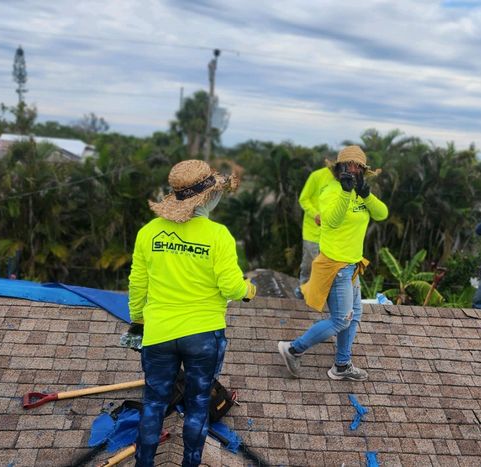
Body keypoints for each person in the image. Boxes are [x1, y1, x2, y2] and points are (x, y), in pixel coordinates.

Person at [128, 159, 257, 467]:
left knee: (154, 403)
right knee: (198, 405)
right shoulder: (218, 235)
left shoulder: (149, 232)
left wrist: (138, 321)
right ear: (210, 196)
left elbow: (137, 284)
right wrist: (248, 290)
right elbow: (231, 287)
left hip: (158, 332)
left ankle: (143, 463)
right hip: (203, 336)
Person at [278, 145, 387, 381]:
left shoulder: (361, 193)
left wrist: (366, 194)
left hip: (352, 265)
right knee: (340, 319)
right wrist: (347, 193)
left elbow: (382, 214)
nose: (353, 169)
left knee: (354, 315)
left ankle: (342, 365)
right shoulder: (330, 191)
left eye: (358, 166)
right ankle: (293, 349)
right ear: (339, 168)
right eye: (349, 164)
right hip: (336, 266)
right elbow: (333, 222)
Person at [295, 163, 335, 298]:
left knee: (328, 267)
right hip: (312, 232)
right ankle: (303, 292)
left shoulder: (345, 180)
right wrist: (315, 214)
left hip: (332, 234)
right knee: (308, 265)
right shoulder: (317, 176)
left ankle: (321, 296)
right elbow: (303, 199)